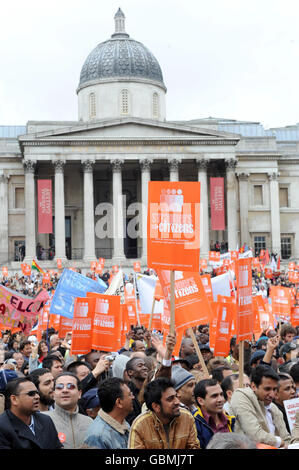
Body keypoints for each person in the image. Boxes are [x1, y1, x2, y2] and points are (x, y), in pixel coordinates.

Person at [128, 377, 200, 449]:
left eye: (176, 396)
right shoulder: (140, 425)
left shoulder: (186, 417)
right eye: (170, 399)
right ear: (156, 406)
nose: (177, 402)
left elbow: (194, 447)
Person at [230, 365, 291, 448]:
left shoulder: (273, 408)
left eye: (274, 389)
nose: (272, 394)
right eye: (267, 389)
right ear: (253, 386)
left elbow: (286, 439)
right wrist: (280, 442)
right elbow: (254, 434)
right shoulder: (241, 396)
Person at [0, 377, 62, 449]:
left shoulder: (45, 420)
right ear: (14, 399)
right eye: (31, 394)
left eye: (37, 393)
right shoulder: (3, 426)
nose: (37, 397)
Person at [42, 372, 93, 449]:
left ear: (79, 393)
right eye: (59, 387)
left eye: (71, 386)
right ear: (53, 394)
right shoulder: (42, 420)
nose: (65, 390)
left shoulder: (89, 422)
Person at [84, 378, 133, 449]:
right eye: (129, 395)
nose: (133, 397)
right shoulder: (98, 436)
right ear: (119, 402)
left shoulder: (123, 423)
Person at [193, 378, 235, 449]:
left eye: (221, 394)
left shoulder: (231, 419)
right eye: (214, 396)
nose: (220, 399)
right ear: (200, 401)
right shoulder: (193, 423)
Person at [125, 357, 148, 425]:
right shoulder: (127, 393)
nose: (145, 368)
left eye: (144, 365)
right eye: (140, 366)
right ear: (130, 372)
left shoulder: (149, 389)